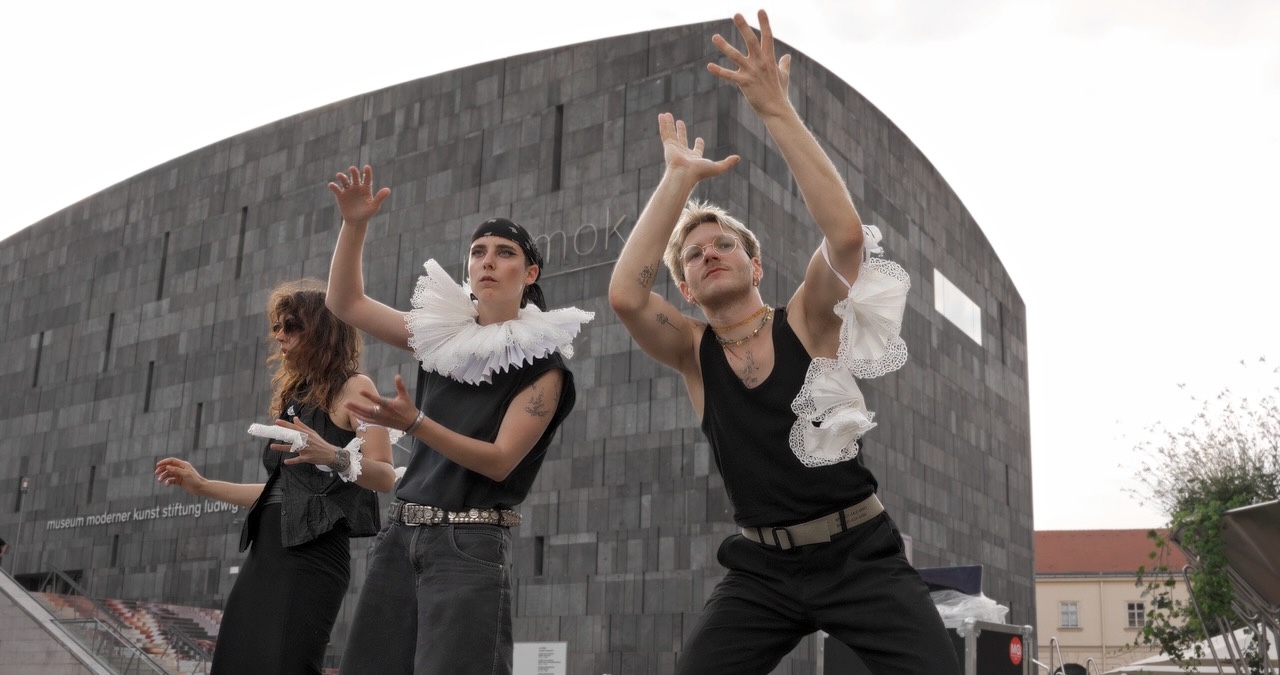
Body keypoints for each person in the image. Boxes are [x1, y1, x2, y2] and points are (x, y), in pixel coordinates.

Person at [607, 11, 960, 675]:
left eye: (724, 244)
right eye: (694, 255)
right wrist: (677, 179)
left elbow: (846, 238)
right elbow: (626, 295)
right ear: (685, 287)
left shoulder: (805, 320)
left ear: (756, 265)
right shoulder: (691, 351)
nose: (710, 254)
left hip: (859, 553)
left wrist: (774, 108)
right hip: (762, 569)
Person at [323, 165, 592, 675]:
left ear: (530, 274)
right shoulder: (440, 336)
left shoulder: (545, 366)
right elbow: (345, 302)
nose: (488, 260)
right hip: (399, 535)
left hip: (469, 543)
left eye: (505, 252)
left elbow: (500, 461)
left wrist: (416, 424)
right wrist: (354, 223)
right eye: (478, 251)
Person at [154, 279, 395, 675]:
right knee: (236, 663)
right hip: (264, 556)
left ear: (322, 331)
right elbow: (281, 492)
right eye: (278, 327)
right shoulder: (296, 397)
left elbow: (384, 475)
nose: (280, 336)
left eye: (292, 326)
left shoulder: (356, 387)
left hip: (310, 560)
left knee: (285, 665)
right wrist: (202, 485)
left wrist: (334, 455)